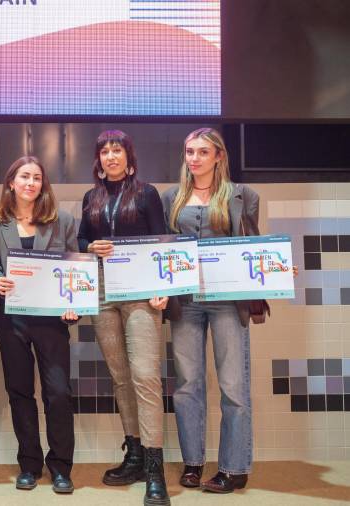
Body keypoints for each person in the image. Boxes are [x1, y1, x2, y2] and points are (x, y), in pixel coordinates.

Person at [161, 127, 259, 493]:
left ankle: (234, 467)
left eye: (203, 152)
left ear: (219, 156)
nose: (195, 159)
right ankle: (193, 463)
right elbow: (164, 250)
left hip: (227, 301)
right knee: (188, 385)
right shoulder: (172, 196)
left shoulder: (242, 195)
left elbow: (253, 243)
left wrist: (276, 268)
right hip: (185, 302)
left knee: (234, 385)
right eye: (189, 152)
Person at [76, 130, 170, 506]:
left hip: (142, 295)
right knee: (120, 377)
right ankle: (132, 455)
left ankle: (154, 470)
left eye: (117, 150)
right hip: (103, 294)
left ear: (128, 157)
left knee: (145, 377)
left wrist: (163, 286)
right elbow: (82, 239)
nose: (110, 156)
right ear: (98, 159)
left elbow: (162, 240)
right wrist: (89, 247)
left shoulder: (146, 194)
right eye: (104, 151)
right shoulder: (91, 197)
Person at [0, 156, 78, 493]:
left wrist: (74, 306)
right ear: (11, 182)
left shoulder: (63, 221)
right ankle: (29, 464)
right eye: (24, 176)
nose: (31, 183)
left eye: (37, 177)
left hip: (52, 319)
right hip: (11, 318)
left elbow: (74, 268)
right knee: (20, 392)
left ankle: (61, 467)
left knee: (58, 393)